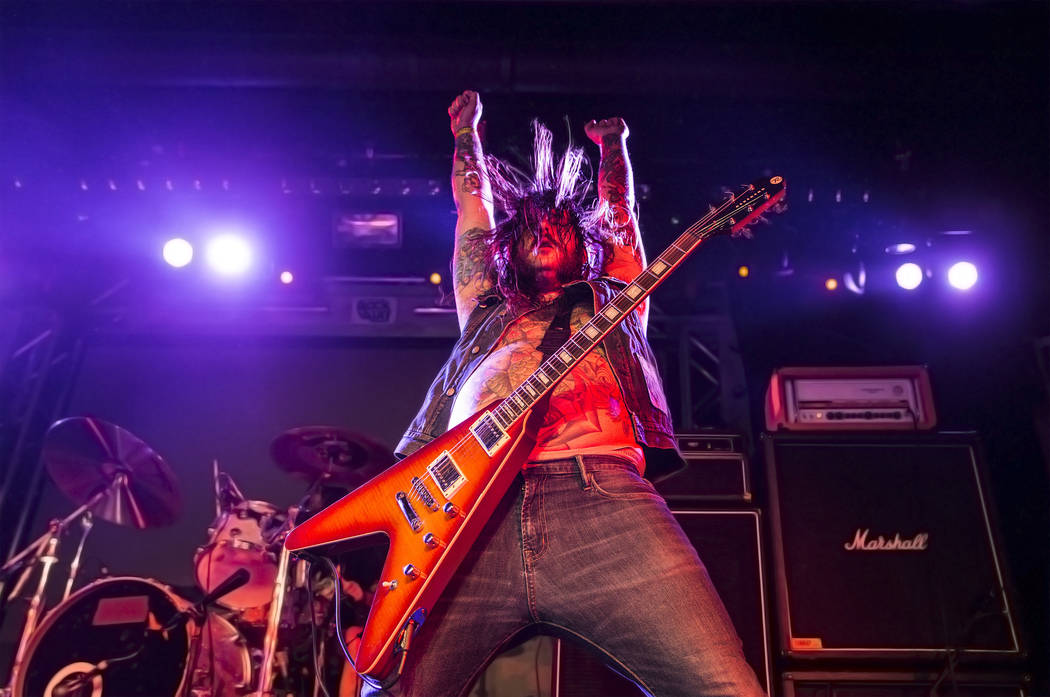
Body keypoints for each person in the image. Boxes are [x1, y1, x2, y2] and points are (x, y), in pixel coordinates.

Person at [365, 91, 764, 697]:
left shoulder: (617, 302)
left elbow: (620, 220)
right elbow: (473, 210)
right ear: (508, 249)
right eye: (529, 229)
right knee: (390, 688)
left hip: (600, 496)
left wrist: (614, 149)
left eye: (558, 228)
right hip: (468, 515)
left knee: (724, 687)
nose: (544, 235)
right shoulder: (485, 307)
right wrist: (466, 134)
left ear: (583, 243)